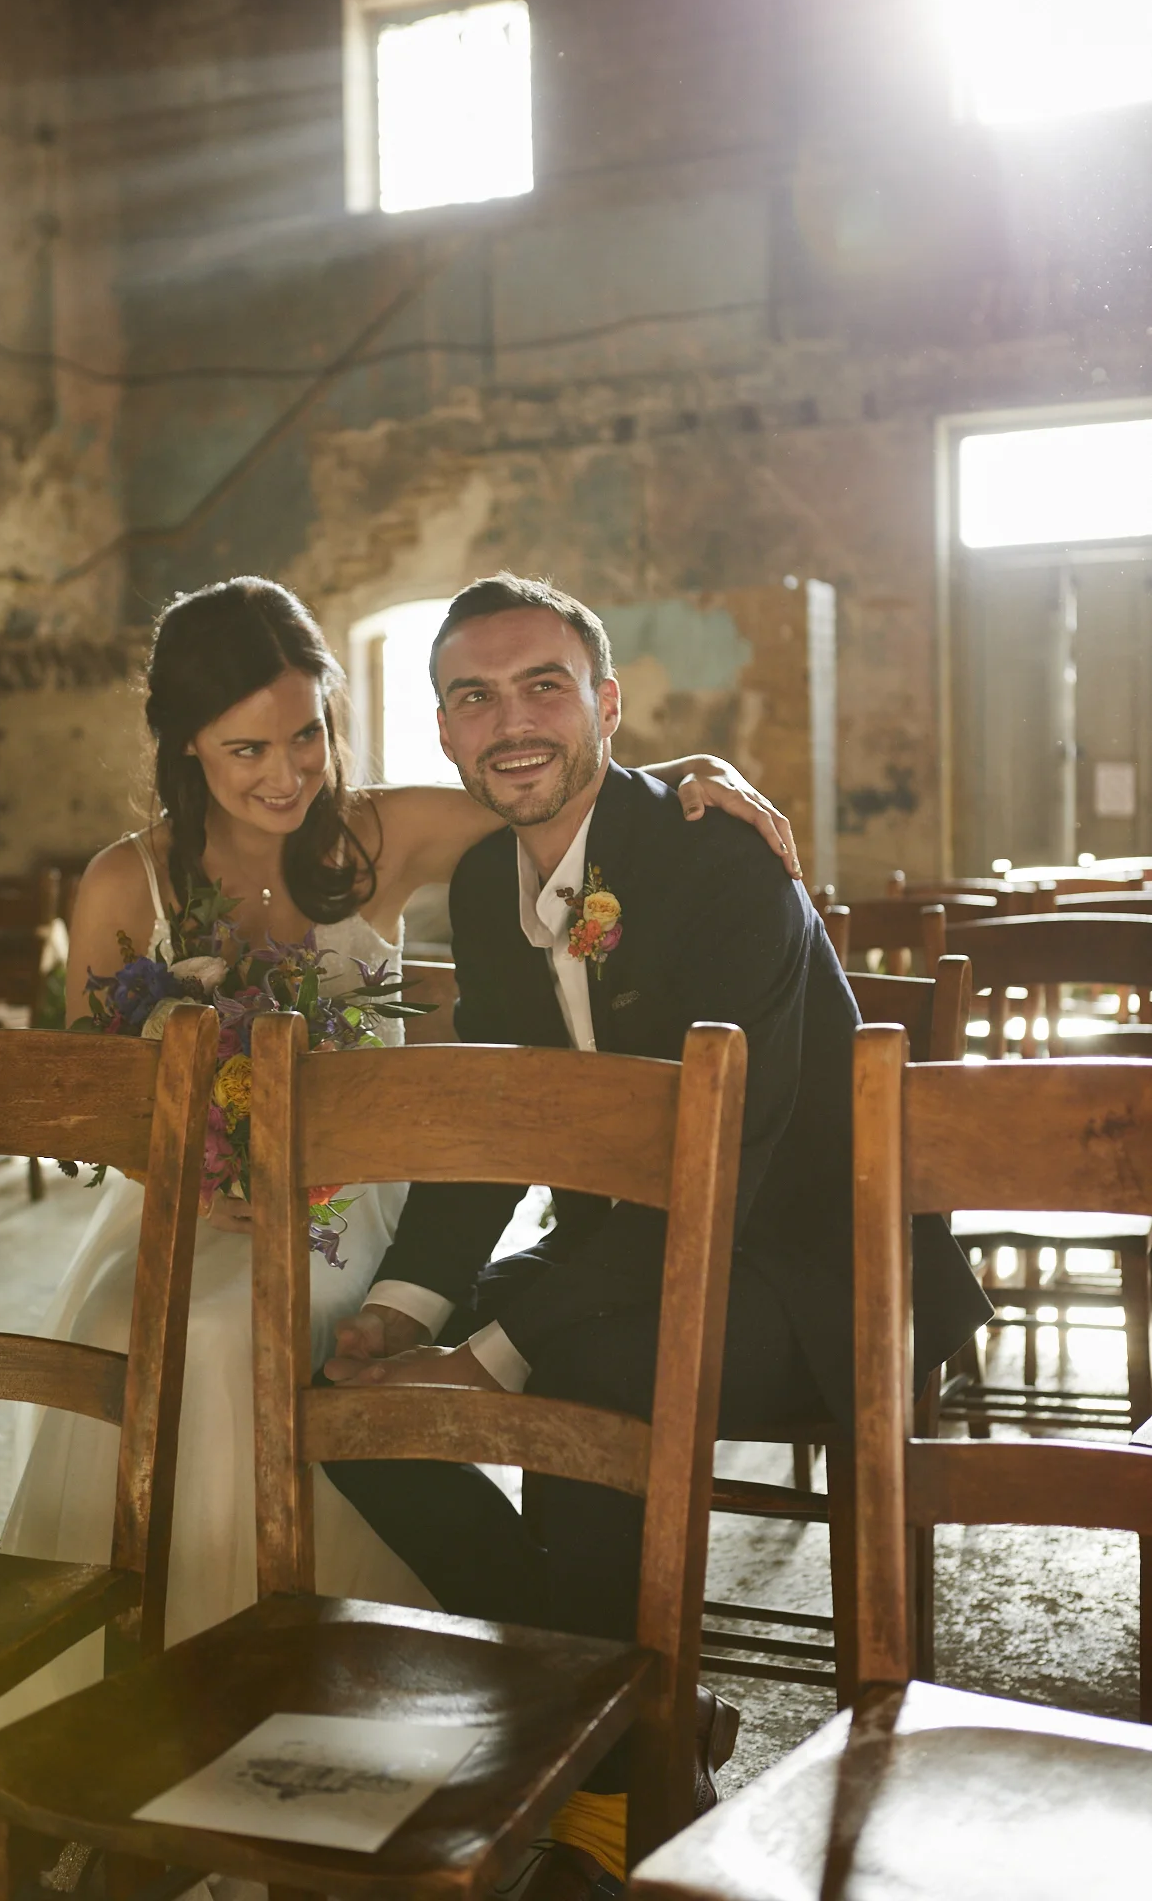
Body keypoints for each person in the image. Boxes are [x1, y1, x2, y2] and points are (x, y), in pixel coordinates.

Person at [323, 574, 993, 1901]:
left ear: (607, 705)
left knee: (572, 1384)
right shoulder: (482, 886)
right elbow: (508, 1125)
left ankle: (596, 1792)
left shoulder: (718, 859)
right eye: (473, 696)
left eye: (543, 686)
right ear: (445, 734)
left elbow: (730, 1166)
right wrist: (408, 1306)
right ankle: (638, 1739)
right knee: (354, 1410)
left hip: (812, 1280)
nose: (509, 721)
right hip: (619, 1273)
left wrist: (504, 1343)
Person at [0, 576, 804, 1678]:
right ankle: (207, 1688)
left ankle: (585, 1711)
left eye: (306, 737)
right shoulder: (121, 882)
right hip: (201, 1210)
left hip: (382, 1196)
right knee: (213, 1338)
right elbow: (87, 1102)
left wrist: (687, 777)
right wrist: (185, 1170)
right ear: (186, 746)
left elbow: (561, 794)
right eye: (246, 752)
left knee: (349, 1344)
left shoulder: (386, 832)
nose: (286, 775)